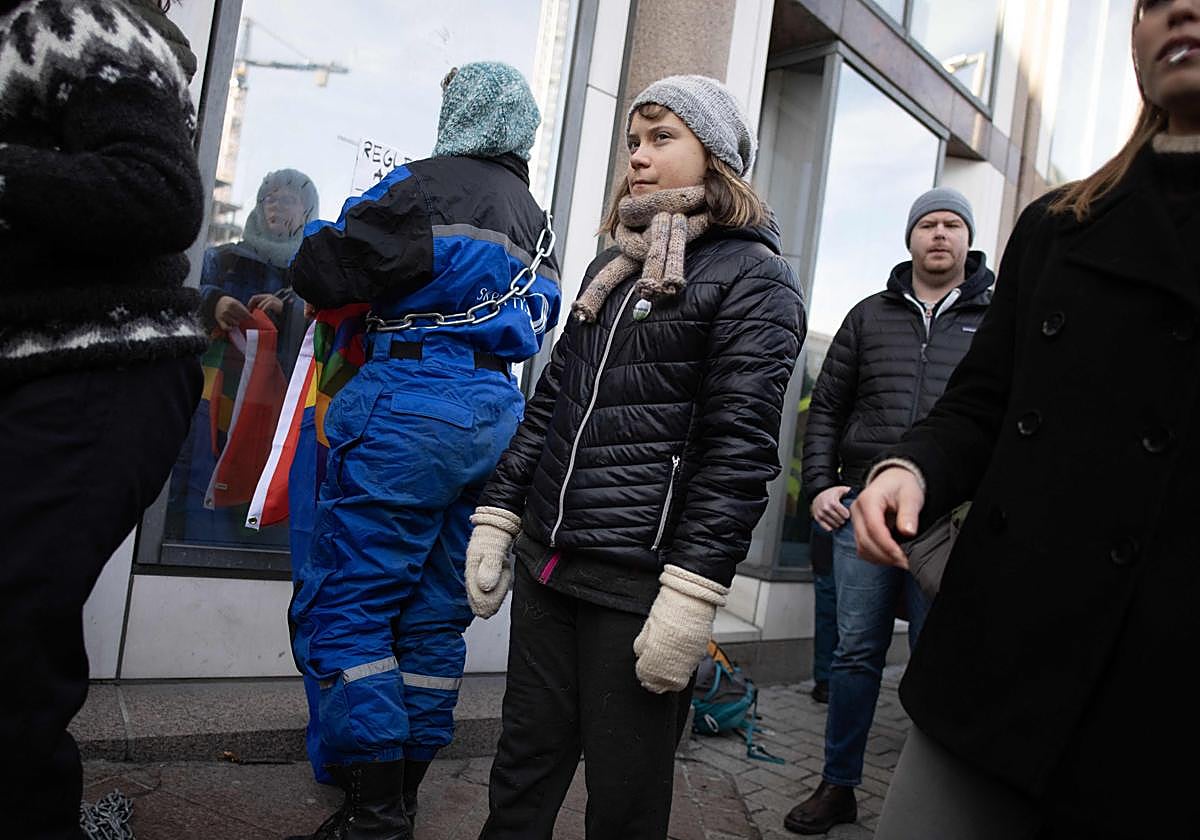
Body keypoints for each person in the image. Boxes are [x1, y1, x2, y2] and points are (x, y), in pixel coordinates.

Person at [854, 2, 1200, 837]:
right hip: (998, 657)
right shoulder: (1059, 225)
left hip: (1168, 695)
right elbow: (981, 402)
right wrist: (910, 468)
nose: (1180, 8)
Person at [466, 75, 806, 840]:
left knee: (624, 798)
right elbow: (551, 403)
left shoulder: (756, 279)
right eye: (633, 142)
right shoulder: (609, 268)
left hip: (640, 587)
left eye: (662, 138)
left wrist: (692, 595)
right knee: (521, 769)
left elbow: (739, 450)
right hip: (550, 565)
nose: (639, 158)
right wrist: (499, 515)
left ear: (715, 156)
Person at [285, 61, 561, 840]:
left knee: (351, 603)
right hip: (494, 413)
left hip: (408, 404)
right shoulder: (534, 216)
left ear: (463, 112)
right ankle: (401, 794)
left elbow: (322, 268)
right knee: (436, 616)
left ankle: (372, 815)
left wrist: (318, 227)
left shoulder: (419, 184)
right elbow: (541, 315)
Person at [0, 1, 204, 837]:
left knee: (9, 649)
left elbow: (159, 193)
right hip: (53, 368)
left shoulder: (69, 17)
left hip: (94, 370)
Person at [784, 187, 993, 834]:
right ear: (909, 238)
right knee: (854, 654)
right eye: (928, 223)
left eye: (952, 224)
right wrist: (822, 483)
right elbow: (826, 408)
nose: (939, 234)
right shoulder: (869, 316)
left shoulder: (993, 322)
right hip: (862, 510)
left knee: (941, 658)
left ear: (968, 240)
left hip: (950, 519)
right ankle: (839, 785)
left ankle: (931, 798)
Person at [167, 168, 318, 546]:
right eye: (270, 197)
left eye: (289, 199)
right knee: (204, 506)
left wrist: (293, 309)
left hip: (278, 419)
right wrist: (213, 302)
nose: (277, 206)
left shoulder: (313, 277)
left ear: (307, 213)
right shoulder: (223, 260)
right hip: (216, 412)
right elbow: (179, 293)